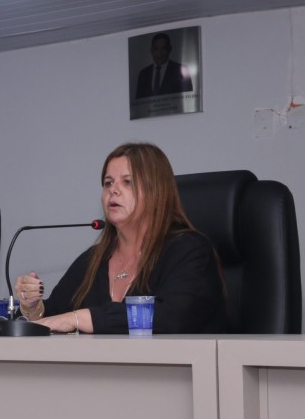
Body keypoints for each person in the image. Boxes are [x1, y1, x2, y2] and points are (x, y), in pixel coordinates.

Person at [14, 142, 226, 334]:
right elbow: (55, 316)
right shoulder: (93, 260)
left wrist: (80, 318)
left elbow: (173, 317)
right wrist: (32, 307)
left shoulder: (190, 251)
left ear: (157, 192)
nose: (113, 190)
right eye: (108, 183)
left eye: (128, 182)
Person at [135, 32, 194, 98]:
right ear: (151, 50)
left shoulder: (181, 70)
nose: (159, 53)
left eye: (163, 48)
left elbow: (188, 98)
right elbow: (139, 100)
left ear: (169, 49)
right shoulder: (143, 74)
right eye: (156, 49)